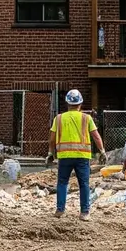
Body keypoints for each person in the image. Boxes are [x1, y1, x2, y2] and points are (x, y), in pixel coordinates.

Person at [46, 90, 106, 221]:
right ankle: (84, 212)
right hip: (82, 156)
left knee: (62, 183)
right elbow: (96, 136)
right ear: (80, 104)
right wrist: (102, 151)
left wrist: (51, 153)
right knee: (84, 184)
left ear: (67, 103)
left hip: (64, 156)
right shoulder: (86, 118)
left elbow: (51, 139)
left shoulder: (59, 118)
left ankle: (60, 210)